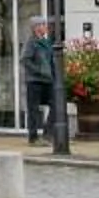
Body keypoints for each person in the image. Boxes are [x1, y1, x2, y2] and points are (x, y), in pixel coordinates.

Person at [20, 14, 60, 146]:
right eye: (43, 25)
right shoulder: (31, 43)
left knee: (56, 106)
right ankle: (33, 137)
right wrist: (39, 70)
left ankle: (48, 134)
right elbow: (25, 60)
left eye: (45, 24)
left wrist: (54, 75)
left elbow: (50, 61)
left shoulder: (46, 42)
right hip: (35, 81)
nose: (46, 27)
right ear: (36, 27)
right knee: (33, 109)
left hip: (48, 81)